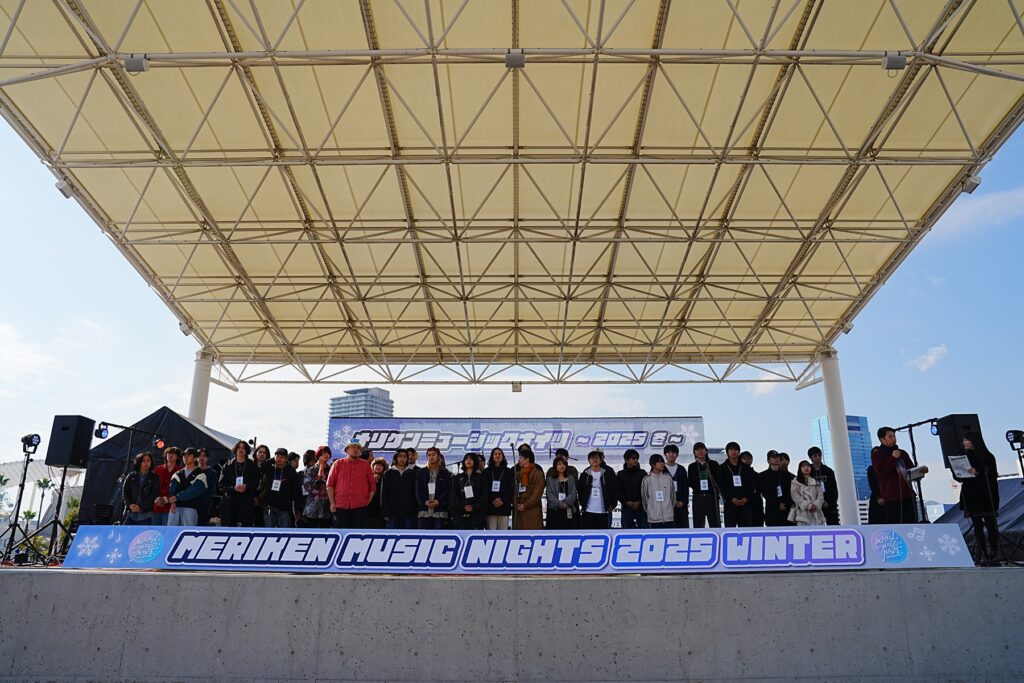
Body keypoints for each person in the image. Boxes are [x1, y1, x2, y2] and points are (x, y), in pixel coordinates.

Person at [955, 432, 1000, 565]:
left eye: (966, 440)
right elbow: (959, 477)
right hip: (971, 495)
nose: (964, 442)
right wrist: (957, 472)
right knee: (977, 526)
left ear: (974, 441)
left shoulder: (988, 456)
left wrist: (977, 471)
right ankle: (983, 554)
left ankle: (993, 553)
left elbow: (992, 475)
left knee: (991, 525)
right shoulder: (964, 456)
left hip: (986, 495)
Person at [870, 427, 927, 524]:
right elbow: (882, 473)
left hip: (908, 494)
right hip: (891, 497)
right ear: (882, 439)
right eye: (890, 437)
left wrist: (920, 471)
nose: (893, 439)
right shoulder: (877, 455)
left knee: (912, 523)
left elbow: (911, 470)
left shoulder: (902, 453)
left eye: (894, 436)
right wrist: (893, 458)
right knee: (895, 525)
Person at [327, 440, 376, 529]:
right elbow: (330, 484)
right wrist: (332, 503)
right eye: (353, 447)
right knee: (340, 533)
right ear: (346, 450)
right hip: (340, 506)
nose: (356, 449)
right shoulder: (338, 463)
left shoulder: (365, 465)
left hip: (360, 507)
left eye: (358, 448)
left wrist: (367, 501)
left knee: (358, 534)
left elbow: (372, 486)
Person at [219, 441, 262, 526]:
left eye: (243, 448)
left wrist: (246, 486)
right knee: (229, 528)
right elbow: (221, 485)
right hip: (230, 502)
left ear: (247, 450)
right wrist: (233, 488)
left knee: (246, 528)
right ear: (235, 449)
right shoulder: (227, 465)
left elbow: (256, 482)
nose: (241, 449)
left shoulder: (252, 466)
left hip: (246, 502)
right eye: (239, 447)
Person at [715, 442, 757, 528]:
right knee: (730, 531)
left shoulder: (747, 468)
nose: (733, 452)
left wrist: (746, 498)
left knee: (746, 531)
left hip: (745, 504)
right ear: (727, 452)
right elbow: (721, 487)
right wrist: (731, 499)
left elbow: (751, 485)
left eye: (735, 449)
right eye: (731, 450)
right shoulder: (722, 468)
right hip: (730, 505)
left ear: (738, 452)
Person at [167, 447, 209, 526]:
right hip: (175, 508)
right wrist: (173, 502)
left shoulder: (201, 475)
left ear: (195, 458)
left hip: (191, 508)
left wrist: (177, 497)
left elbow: (193, 491)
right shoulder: (177, 473)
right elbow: (172, 489)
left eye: (188, 455)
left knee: (188, 532)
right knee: (171, 531)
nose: (185, 458)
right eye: (184, 455)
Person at [578, 450, 617, 529]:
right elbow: (580, 490)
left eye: (597, 458)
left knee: (602, 532)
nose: (595, 460)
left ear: (600, 460)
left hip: (603, 510)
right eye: (592, 458)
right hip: (588, 510)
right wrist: (583, 503)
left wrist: (612, 504)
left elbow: (614, 489)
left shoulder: (607, 473)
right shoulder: (585, 473)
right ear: (589, 460)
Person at [264, 448, 302, 528]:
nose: (279, 459)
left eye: (282, 457)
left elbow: (297, 492)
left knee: (284, 532)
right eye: (277, 456)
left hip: (284, 509)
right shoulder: (270, 469)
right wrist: (272, 459)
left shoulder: (291, 472)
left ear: (286, 459)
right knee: (269, 532)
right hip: (270, 507)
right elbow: (263, 466)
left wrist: (297, 510)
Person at [381, 449, 418, 529]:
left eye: (405, 457)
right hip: (392, 514)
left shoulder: (412, 473)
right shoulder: (388, 473)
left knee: (408, 535)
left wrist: (415, 511)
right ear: (396, 458)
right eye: (400, 456)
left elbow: (415, 494)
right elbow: (384, 494)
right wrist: (385, 513)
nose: (402, 459)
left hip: (409, 514)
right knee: (392, 535)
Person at [416, 447, 452, 529]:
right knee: (424, 535)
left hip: (440, 510)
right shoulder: (421, 472)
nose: (431, 457)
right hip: (424, 510)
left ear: (438, 456)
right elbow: (418, 490)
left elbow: (448, 490)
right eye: (429, 455)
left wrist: (439, 501)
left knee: (439, 535)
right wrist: (424, 501)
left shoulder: (445, 472)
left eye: (433, 455)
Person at [688, 442, 721, 528]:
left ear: (706, 451)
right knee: (698, 524)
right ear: (694, 453)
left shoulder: (713, 464)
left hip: (712, 497)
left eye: (702, 449)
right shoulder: (692, 466)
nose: (700, 451)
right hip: (698, 498)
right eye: (697, 450)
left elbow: (719, 480)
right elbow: (690, 482)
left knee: (715, 524)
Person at [450, 453, 486, 530]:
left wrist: (474, 507)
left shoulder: (481, 478)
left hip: (476, 516)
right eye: (466, 459)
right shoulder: (457, 478)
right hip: (460, 516)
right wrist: (462, 507)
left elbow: (484, 496)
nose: (468, 460)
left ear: (475, 461)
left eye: (471, 459)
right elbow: (453, 496)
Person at [758, 451, 794, 527]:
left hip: (786, 510)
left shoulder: (787, 475)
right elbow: (765, 493)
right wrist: (777, 504)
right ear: (768, 460)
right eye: (773, 457)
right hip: (772, 511)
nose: (776, 459)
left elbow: (790, 492)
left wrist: (785, 503)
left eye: (778, 457)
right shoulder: (762, 476)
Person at [122, 451, 159, 525]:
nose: (146, 463)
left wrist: (141, 506)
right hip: (130, 513)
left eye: (148, 460)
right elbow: (125, 492)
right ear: (139, 462)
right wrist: (130, 504)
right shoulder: (131, 476)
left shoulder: (154, 477)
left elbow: (154, 494)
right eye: (143, 461)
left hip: (146, 514)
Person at [483, 447, 514, 530]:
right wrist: (492, 499)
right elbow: (484, 489)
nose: (497, 456)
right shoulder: (486, 472)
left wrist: (502, 500)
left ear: (503, 457)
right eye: (495, 454)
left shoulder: (508, 471)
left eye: (500, 454)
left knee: (503, 534)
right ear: (492, 456)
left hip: (504, 506)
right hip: (490, 506)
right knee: (491, 533)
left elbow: (511, 488)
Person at [512, 449, 544, 530]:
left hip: (532, 510)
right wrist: (515, 503)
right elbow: (513, 491)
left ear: (527, 459)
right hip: (519, 509)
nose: (519, 460)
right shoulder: (518, 474)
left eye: (521, 458)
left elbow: (537, 493)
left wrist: (525, 505)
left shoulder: (538, 474)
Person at [302, 446, 333, 528]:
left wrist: (325, 479)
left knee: (326, 533)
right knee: (313, 532)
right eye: (323, 453)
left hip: (327, 509)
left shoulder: (332, 470)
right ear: (318, 455)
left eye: (328, 453)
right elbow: (308, 487)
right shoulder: (310, 470)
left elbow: (334, 486)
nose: (326, 455)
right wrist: (318, 477)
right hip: (313, 508)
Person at [545, 455, 579, 529]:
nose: (562, 466)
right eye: (559, 464)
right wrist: (559, 504)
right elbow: (549, 494)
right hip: (555, 510)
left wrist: (566, 502)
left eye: (564, 464)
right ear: (555, 466)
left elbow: (573, 493)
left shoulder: (570, 478)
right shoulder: (550, 479)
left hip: (568, 508)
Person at [642, 454, 675, 528]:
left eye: (662, 462)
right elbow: (644, 499)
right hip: (653, 518)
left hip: (668, 517)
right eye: (659, 462)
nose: (662, 464)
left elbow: (673, 496)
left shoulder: (668, 478)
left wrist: (669, 509)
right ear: (653, 465)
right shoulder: (647, 479)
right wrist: (650, 512)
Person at [808, 446, 840, 525]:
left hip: (829, 505)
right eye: (815, 456)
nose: (818, 458)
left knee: (833, 526)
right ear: (811, 458)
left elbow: (834, 489)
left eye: (819, 455)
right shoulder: (808, 471)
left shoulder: (828, 471)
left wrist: (828, 501)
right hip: (813, 505)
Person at [789, 460, 825, 526]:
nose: (806, 467)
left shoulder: (816, 482)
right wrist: (808, 506)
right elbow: (795, 497)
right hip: (802, 514)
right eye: (803, 466)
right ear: (800, 469)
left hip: (816, 513)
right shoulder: (795, 482)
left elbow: (820, 496)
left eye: (808, 466)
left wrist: (815, 505)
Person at [617, 449, 648, 529]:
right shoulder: (620, 474)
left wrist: (639, 501)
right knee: (626, 531)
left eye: (637, 458)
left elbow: (646, 490)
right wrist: (626, 502)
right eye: (633, 458)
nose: (636, 460)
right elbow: (618, 491)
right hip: (626, 507)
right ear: (626, 460)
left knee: (644, 530)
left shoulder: (643, 473)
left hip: (641, 507)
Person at [152, 447, 181, 526]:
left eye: (173, 454)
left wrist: (166, 499)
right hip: (156, 506)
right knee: (154, 531)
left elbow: (180, 489)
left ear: (177, 457)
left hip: (171, 507)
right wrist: (156, 498)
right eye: (168, 453)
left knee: (168, 531)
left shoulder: (180, 471)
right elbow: (152, 486)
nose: (170, 455)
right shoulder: (158, 469)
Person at [663, 444, 689, 528]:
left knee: (683, 529)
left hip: (681, 505)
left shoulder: (681, 469)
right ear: (665, 455)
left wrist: (683, 502)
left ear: (677, 455)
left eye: (673, 453)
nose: (671, 455)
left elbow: (685, 487)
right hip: (666, 506)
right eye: (668, 453)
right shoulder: (661, 469)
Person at [740, 451, 764, 526]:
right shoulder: (737, 474)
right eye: (745, 458)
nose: (747, 460)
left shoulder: (756, 475)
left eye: (750, 458)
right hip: (743, 504)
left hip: (756, 504)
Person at [196, 448, 219, 526]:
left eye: (204, 456)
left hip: (206, 505)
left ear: (207, 458)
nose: (202, 458)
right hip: (193, 505)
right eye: (199, 456)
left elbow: (211, 490)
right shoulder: (193, 471)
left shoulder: (212, 472)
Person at [252, 444, 273, 526]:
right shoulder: (250, 466)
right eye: (260, 452)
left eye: (264, 452)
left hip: (264, 502)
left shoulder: (270, 468)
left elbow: (269, 485)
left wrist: (260, 497)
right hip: (250, 500)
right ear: (256, 453)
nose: (262, 454)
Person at [366, 457, 389, 528]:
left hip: (380, 513)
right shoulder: (367, 478)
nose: (378, 467)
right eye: (377, 465)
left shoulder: (386, 480)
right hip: (368, 511)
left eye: (381, 465)